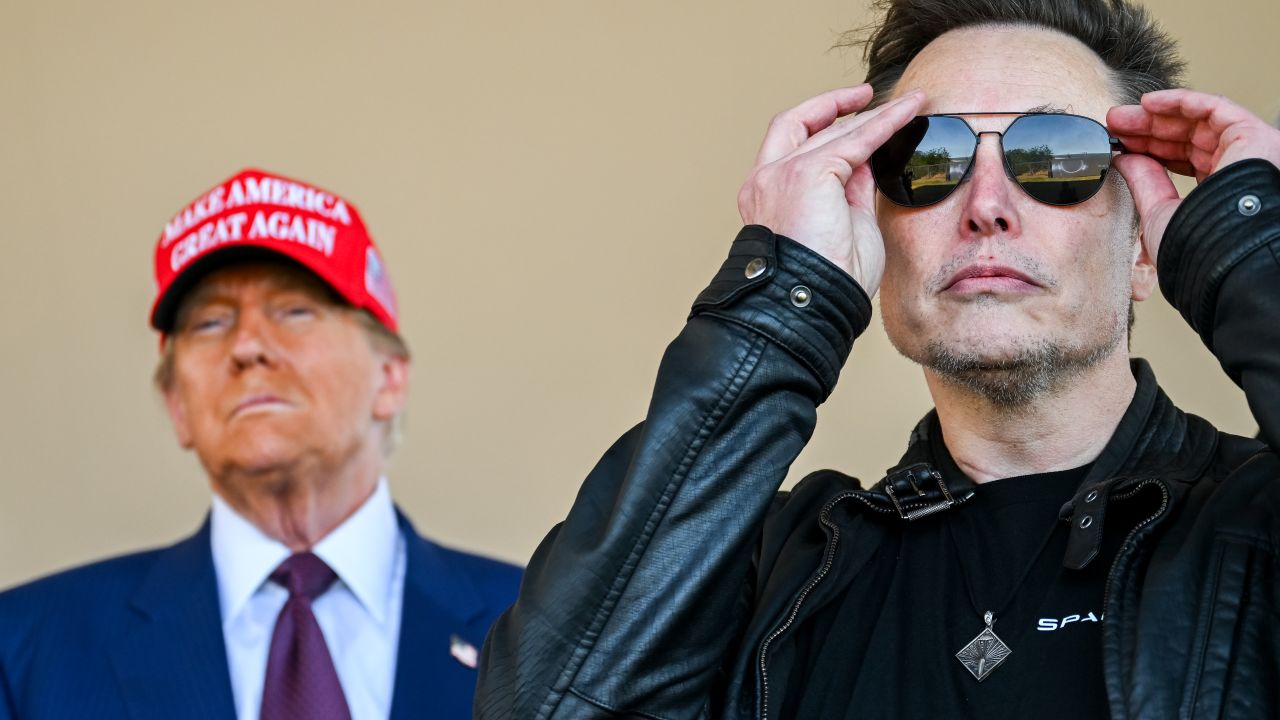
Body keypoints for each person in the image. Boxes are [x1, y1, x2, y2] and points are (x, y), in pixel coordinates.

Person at [474, 0, 1280, 717]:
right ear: (873, 240)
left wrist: (1255, 250)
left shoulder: (1256, 522)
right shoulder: (776, 571)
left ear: (1144, 250)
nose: (987, 208)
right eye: (926, 160)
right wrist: (788, 296)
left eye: (1056, 155)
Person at [0, 169, 522, 720]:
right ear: (177, 405)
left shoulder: (545, 624)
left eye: (295, 310)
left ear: (389, 379)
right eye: (209, 322)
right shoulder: (27, 649)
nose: (247, 345)